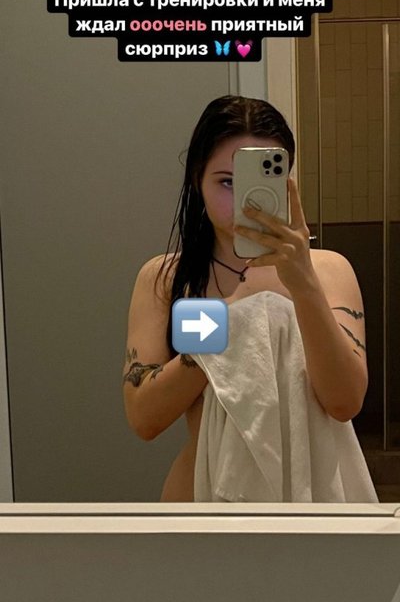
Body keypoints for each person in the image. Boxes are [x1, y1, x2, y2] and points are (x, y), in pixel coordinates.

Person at [122, 95, 368, 502]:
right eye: (226, 182)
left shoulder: (327, 271)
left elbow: (344, 402)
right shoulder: (166, 278)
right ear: (197, 180)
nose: (244, 201)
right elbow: (144, 419)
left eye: (260, 180)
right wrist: (231, 325)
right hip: (201, 495)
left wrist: (303, 285)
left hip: (311, 499)